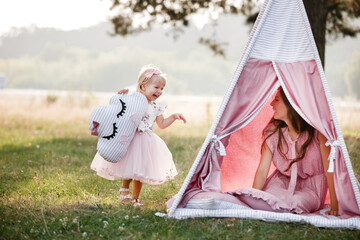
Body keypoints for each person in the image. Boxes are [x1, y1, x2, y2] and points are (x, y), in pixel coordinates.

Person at [91, 64, 186, 208]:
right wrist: (120, 95)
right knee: (128, 165)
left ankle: (135, 199)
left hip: (146, 141)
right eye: (156, 87)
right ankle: (124, 191)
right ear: (143, 86)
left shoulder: (156, 106)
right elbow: (119, 108)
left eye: (162, 88)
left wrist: (173, 116)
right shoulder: (133, 101)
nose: (159, 91)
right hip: (131, 138)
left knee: (140, 170)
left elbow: (161, 124)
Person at [235, 87, 339, 216]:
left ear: (292, 103)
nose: (271, 104)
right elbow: (262, 170)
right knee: (270, 198)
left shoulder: (318, 133)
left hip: (311, 187)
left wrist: (335, 205)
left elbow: (330, 170)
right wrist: (253, 197)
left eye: (277, 99)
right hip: (281, 181)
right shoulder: (273, 132)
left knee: (296, 202)